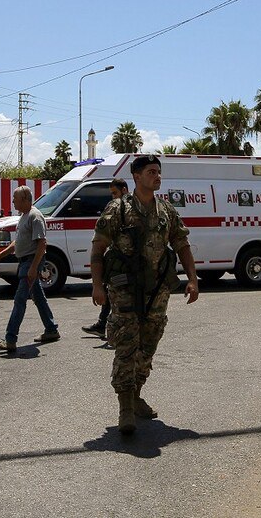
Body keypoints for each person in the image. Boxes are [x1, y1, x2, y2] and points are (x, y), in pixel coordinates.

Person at [90, 155, 199, 435]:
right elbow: (98, 248)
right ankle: (125, 407)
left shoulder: (166, 211)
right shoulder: (118, 209)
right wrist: (97, 285)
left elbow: (182, 244)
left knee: (148, 346)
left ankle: (136, 394)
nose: (157, 176)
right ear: (136, 176)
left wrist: (192, 279)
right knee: (127, 346)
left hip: (157, 291)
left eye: (158, 172)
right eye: (151, 172)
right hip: (125, 290)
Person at [0, 186, 59, 353]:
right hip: (26, 262)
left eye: (15, 198)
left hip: (31, 262)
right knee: (38, 297)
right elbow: (18, 242)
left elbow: (42, 244)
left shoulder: (35, 216)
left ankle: (10, 339)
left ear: (25, 199)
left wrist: (33, 268)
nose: (13, 201)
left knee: (20, 299)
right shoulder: (24, 216)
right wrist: (0, 255)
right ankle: (51, 329)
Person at [82, 177, 130, 344]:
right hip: (118, 266)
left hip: (128, 268)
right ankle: (103, 324)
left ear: (124, 190)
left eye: (115, 193)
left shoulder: (131, 208)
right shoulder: (116, 208)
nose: (113, 197)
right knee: (110, 291)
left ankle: (108, 327)